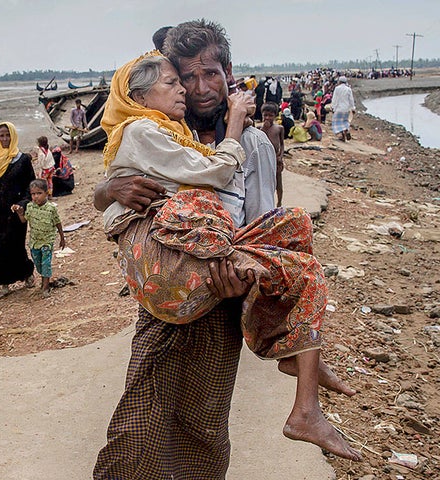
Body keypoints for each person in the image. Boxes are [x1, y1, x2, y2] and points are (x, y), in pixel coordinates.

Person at [93, 20, 359, 480]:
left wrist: (242, 279)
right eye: (185, 76)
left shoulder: (250, 143)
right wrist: (107, 189)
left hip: (222, 298)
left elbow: (258, 221)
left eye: (211, 74)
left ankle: (295, 349)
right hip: (168, 296)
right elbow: (119, 202)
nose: (199, 88)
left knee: (205, 422)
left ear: (229, 72)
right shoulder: (161, 134)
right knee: (141, 415)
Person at [0, 123, 36, 299]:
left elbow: (30, 185)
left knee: (15, 244)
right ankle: (3, 283)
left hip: (15, 210)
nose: (4, 139)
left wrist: (23, 204)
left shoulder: (22, 159)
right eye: (1, 136)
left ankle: (26, 273)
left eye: (7, 135)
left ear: (13, 136)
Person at [11, 179, 66, 298]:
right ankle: (44, 279)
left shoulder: (51, 209)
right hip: (34, 242)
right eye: (33, 194)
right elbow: (24, 220)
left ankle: (45, 286)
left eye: (39, 193)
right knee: (38, 263)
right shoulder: (30, 207)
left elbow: (58, 223)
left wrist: (62, 237)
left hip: (47, 241)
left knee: (46, 263)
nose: (36, 197)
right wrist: (20, 213)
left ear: (46, 193)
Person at [260, 102, 285, 207]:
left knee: (278, 183)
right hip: (264, 160)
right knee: (266, 183)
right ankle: (267, 204)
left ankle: (279, 202)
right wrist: (264, 129)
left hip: (276, 159)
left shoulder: (279, 128)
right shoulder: (259, 129)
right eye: (265, 115)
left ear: (275, 116)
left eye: (270, 115)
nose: (267, 118)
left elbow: (282, 144)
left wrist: (280, 156)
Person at [331, 76, 356, 142]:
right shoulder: (348, 89)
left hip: (338, 108)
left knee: (337, 123)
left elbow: (334, 98)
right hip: (346, 108)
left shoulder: (337, 88)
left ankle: (342, 136)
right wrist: (353, 108)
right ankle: (346, 131)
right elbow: (351, 99)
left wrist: (333, 107)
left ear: (339, 81)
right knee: (345, 122)